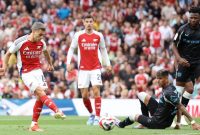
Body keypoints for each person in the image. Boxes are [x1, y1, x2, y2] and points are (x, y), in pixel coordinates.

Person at [2, 22, 66, 132]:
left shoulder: (41, 43)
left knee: (40, 97)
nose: (41, 37)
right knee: (41, 92)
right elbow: (8, 54)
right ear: (34, 31)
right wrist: (4, 67)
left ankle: (34, 125)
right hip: (26, 72)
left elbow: (46, 53)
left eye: (43, 35)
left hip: (38, 71)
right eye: (40, 34)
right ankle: (57, 111)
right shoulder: (20, 42)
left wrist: (50, 64)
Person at [116, 69, 200, 130]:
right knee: (141, 94)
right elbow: (177, 106)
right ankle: (144, 123)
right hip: (160, 114)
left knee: (133, 116)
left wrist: (193, 123)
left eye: (160, 78)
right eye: (157, 78)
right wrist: (177, 123)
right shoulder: (170, 87)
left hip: (158, 122)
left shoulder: (169, 93)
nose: (157, 81)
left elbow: (180, 106)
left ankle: (120, 124)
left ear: (166, 79)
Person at [67, 14, 111, 125]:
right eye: (86, 21)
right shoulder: (78, 35)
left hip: (95, 67)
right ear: (83, 22)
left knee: (96, 91)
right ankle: (91, 114)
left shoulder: (98, 35)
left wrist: (107, 64)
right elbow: (71, 49)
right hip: (83, 69)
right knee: (85, 95)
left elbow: (104, 50)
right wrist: (68, 63)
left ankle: (97, 116)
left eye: (91, 21)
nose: (89, 23)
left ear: (93, 22)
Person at [172, 6, 200, 126]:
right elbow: (173, 45)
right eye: (191, 17)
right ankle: (174, 119)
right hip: (183, 63)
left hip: (195, 65)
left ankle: (181, 116)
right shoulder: (182, 29)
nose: (193, 20)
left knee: (189, 89)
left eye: (195, 18)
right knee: (178, 91)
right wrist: (179, 59)